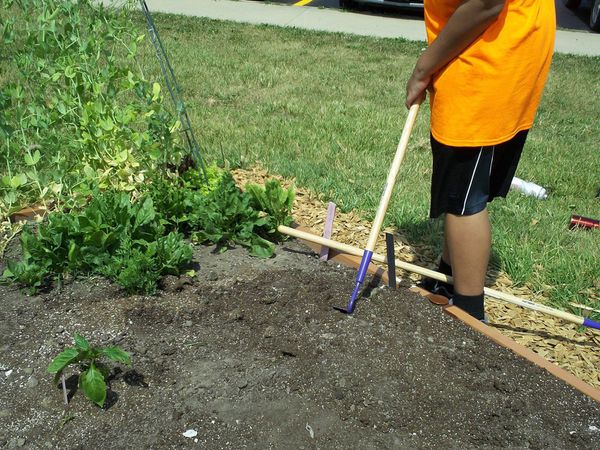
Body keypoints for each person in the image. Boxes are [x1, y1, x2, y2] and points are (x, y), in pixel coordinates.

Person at [405, 0, 555, 320]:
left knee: (463, 197)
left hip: (489, 56)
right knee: (459, 186)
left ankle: (469, 316)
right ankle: (448, 277)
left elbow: (486, 3)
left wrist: (424, 66)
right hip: (497, 45)